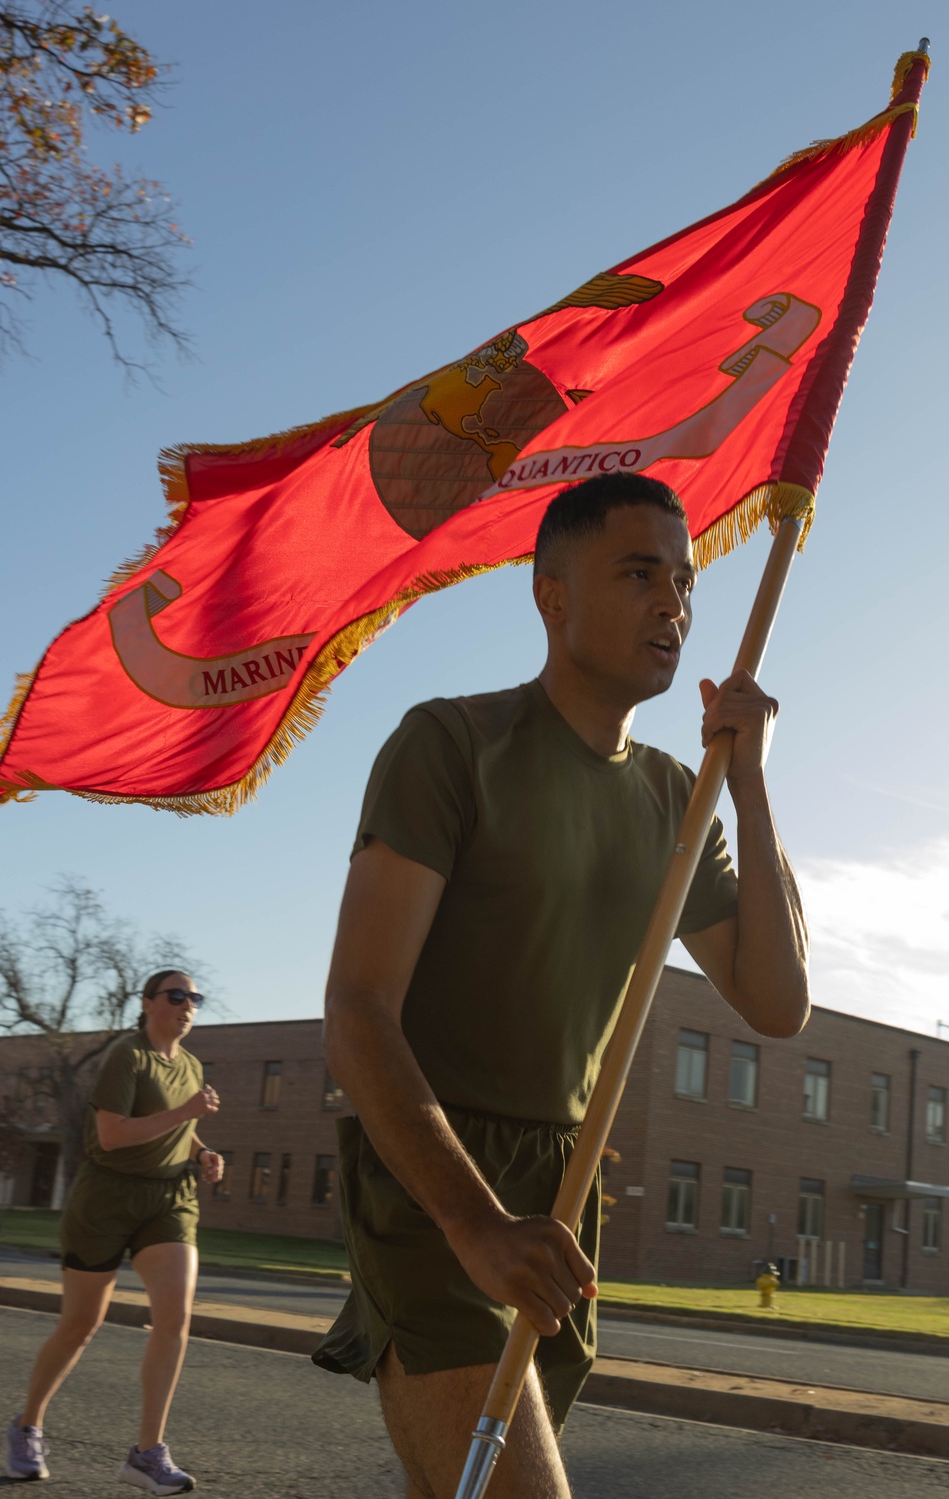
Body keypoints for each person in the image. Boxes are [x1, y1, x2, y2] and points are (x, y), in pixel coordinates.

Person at [313, 472, 810, 1499]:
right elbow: (357, 1011)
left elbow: (775, 998)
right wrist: (471, 1222)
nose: (672, 601)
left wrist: (751, 782)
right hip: (438, 1172)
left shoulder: (681, 796)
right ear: (551, 594)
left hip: (566, 1182)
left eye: (682, 580)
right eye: (639, 572)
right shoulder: (449, 744)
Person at [5, 970, 223, 1493]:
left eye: (195, 998)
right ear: (148, 1004)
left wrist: (205, 1151)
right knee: (81, 1324)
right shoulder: (128, 1057)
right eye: (176, 995)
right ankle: (27, 1424)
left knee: (175, 1317)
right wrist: (187, 1113)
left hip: (169, 1199)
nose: (187, 1004)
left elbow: (183, 1131)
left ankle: (147, 1454)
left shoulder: (191, 1065)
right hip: (105, 1199)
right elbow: (113, 1134)